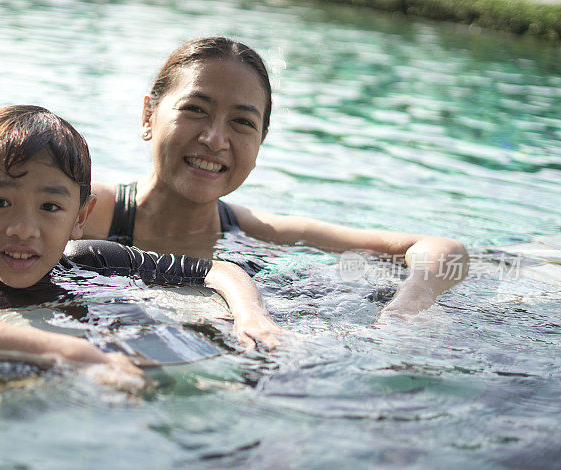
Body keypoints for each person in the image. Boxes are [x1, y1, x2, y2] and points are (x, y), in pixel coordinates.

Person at [0, 105, 284, 391]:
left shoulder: (91, 260)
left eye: (50, 207)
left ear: (80, 217)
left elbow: (218, 269)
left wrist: (251, 316)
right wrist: (76, 354)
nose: (24, 230)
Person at [82, 36, 469, 321]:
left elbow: (439, 247)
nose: (215, 139)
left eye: (242, 122)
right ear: (148, 115)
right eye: (196, 109)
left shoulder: (256, 231)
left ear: (261, 141)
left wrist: (408, 304)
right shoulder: (88, 212)